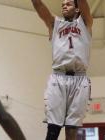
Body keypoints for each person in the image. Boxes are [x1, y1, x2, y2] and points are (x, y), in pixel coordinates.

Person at [31, 0, 93, 140]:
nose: (64, 5)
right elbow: (38, 5)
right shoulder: (54, 23)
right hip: (58, 77)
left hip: (80, 78)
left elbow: (83, 2)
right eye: (62, 4)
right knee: (53, 128)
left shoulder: (85, 22)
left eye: (69, 4)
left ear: (77, 9)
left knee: (72, 130)